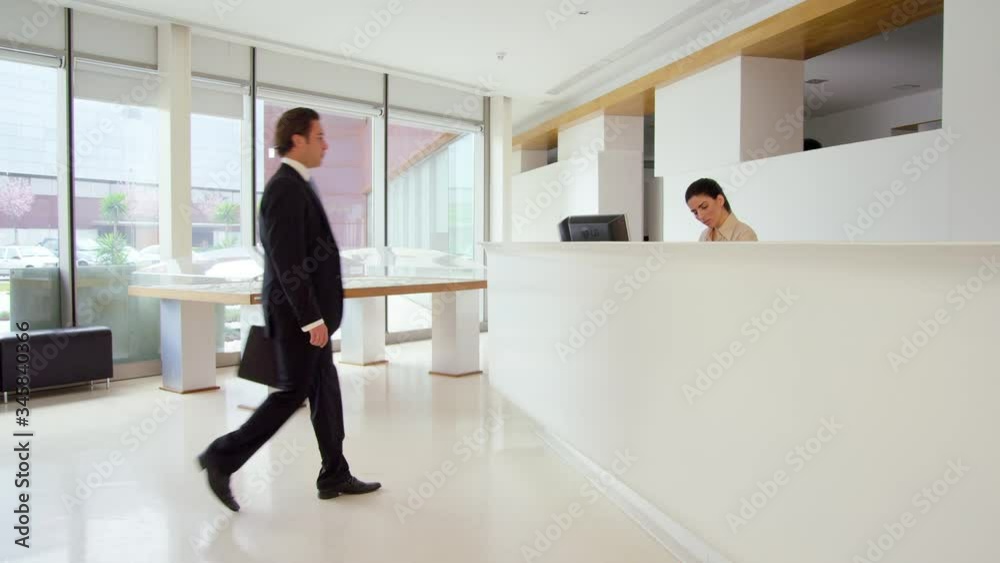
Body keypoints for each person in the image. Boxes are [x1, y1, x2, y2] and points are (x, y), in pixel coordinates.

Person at [197, 107, 380, 511]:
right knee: (290, 393)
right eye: (320, 136)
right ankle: (221, 456)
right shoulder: (284, 188)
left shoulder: (299, 184)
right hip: (299, 320)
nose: (326, 144)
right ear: (298, 140)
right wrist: (311, 319)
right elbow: (287, 261)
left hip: (312, 319)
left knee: (325, 391)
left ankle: (335, 472)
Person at [685, 178, 758, 241]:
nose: (700, 216)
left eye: (704, 206)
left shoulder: (744, 235)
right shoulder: (704, 236)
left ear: (720, 200)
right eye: (695, 212)